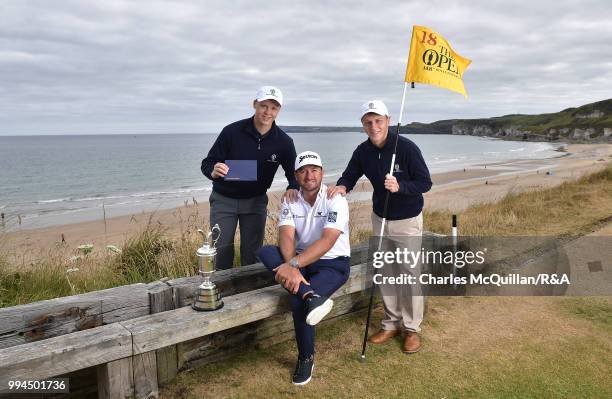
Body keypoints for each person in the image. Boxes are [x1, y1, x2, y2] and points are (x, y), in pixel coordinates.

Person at [328, 100, 432, 353]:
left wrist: (401, 187)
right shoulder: (363, 151)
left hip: (407, 219)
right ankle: (390, 323)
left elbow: (425, 182)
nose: (373, 126)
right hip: (381, 218)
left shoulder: (406, 148)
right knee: (386, 272)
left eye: (378, 121)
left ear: (387, 120)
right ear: (363, 125)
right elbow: (350, 174)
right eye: (368, 122)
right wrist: (342, 186)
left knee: (408, 274)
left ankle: (412, 328)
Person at [257, 151, 350, 385]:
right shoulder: (290, 199)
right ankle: (310, 294)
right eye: (303, 170)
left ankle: (306, 357)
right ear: (296, 175)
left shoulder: (334, 199)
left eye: (314, 170)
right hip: (300, 262)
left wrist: (292, 267)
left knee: (297, 301)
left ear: (322, 173)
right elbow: (286, 236)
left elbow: (328, 241)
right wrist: (294, 266)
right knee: (265, 251)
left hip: (333, 263)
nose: (309, 175)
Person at [201, 86, 299, 269]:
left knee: (253, 255)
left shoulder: (284, 142)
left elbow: (294, 173)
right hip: (224, 201)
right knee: (221, 252)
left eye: (273, 108)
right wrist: (213, 171)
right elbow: (208, 162)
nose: (268, 112)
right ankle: (221, 292)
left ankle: (247, 295)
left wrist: (293, 186)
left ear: (279, 111)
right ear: (255, 104)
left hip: (255, 203)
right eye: (264, 105)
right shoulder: (231, 132)